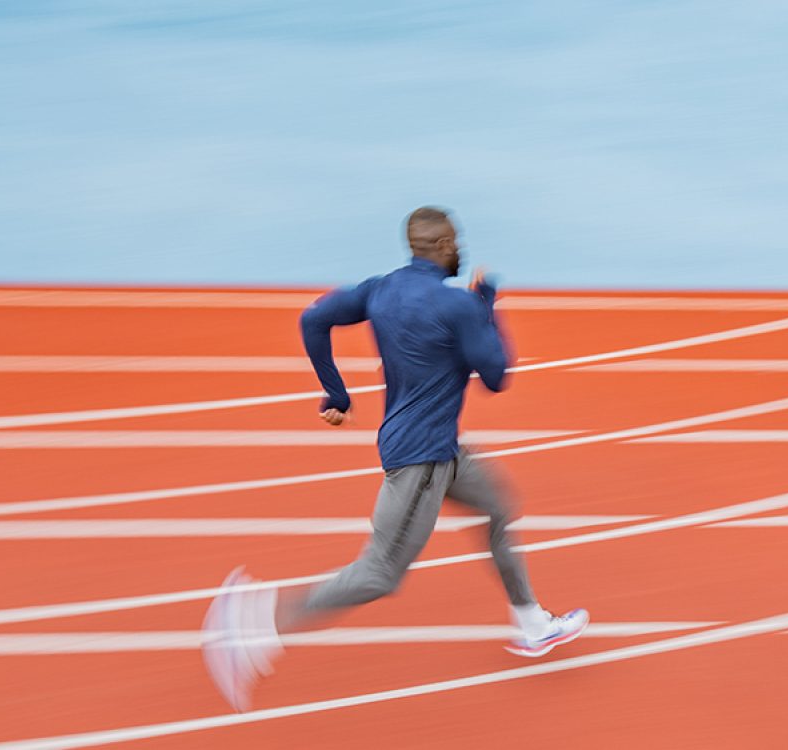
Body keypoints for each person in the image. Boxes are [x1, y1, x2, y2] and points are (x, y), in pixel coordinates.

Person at [201, 206, 589, 712]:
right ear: (443, 245)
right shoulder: (458, 307)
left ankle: (531, 622)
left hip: (441, 448)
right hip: (420, 461)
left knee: (497, 507)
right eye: (456, 241)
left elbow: (313, 318)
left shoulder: (381, 289)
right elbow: (497, 376)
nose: (461, 248)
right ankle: (258, 624)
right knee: (381, 572)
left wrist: (336, 393)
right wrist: (487, 306)